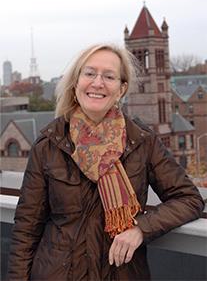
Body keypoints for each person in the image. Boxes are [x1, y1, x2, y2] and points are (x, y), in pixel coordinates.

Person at [8, 44, 204, 281]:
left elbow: (189, 199)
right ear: (76, 82)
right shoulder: (50, 142)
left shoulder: (141, 141)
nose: (97, 83)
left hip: (121, 273)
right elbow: (26, 229)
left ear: (121, 89)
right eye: (89, 73)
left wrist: (141, 228)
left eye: (109, 76)